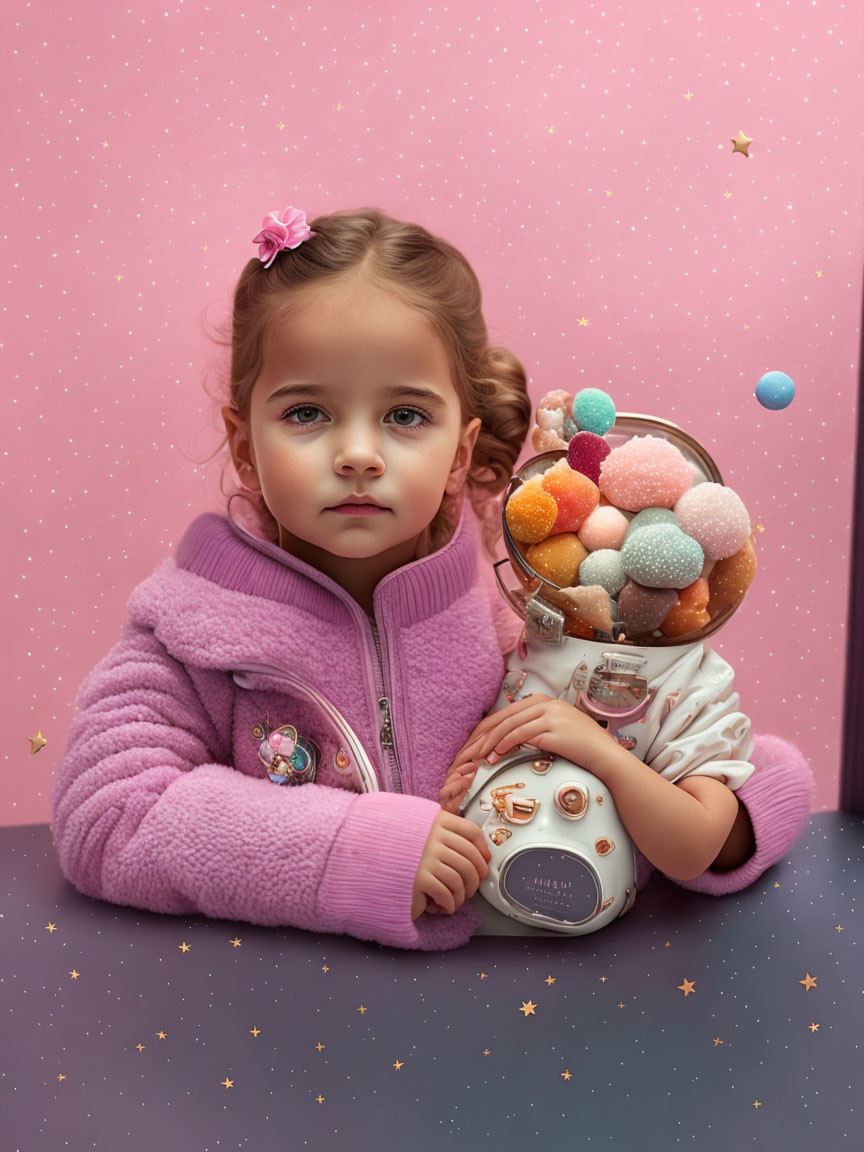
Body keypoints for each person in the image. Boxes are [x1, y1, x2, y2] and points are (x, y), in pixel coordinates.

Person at [51, 205, 813, 953]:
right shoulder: (190, 633)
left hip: (514, 1029)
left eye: (406, 416)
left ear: (461, 450)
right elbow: (107, 815)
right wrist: (358, 850)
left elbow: (721, 770)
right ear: (244, 445)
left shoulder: (525, 617)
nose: (357, 453)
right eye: (309, 412)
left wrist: (733, 823)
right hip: (283, 1024)